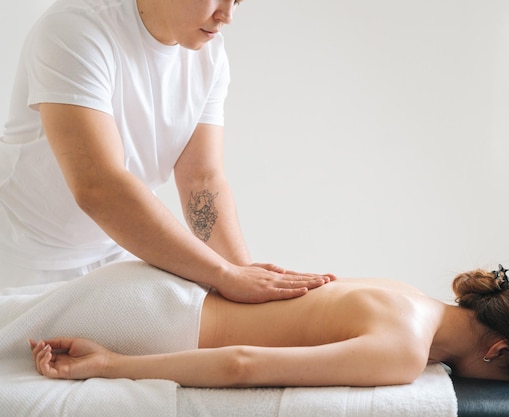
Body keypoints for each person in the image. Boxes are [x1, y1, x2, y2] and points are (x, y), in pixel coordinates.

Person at [0, 0, 333, 299]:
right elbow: (98, 186)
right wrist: (225, 274)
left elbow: (201, 179)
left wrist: (244, 274)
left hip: (116, 252)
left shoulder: (210, 55)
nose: (227, 15)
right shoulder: (76, 29)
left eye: (237, 0)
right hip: (22, 256)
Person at [29, 264, 509, 387]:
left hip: (147, 289)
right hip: (155, 322)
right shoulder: (402, 352)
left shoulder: (409, 298)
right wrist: (110, 365)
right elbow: (240, 363)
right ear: (499, 350)